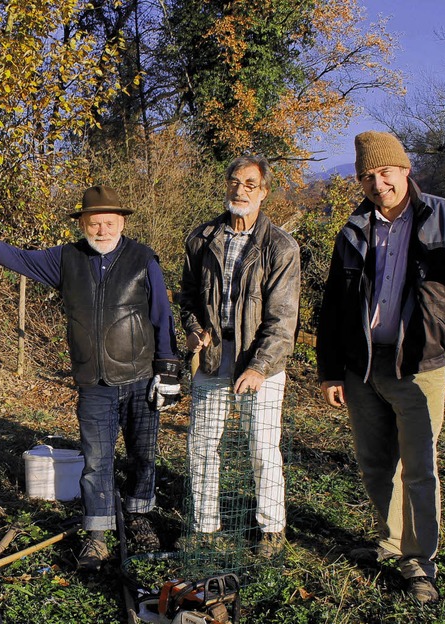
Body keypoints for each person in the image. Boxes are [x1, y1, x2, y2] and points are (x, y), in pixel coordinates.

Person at [0, 185, 181, 572]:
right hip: (94, 383)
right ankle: (98, 533)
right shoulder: (66, 259)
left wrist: (168, 370)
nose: (103, 230)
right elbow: (18, 259)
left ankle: (139, 516)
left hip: (140, 377)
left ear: (122, 222)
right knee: (96, 461)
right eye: (95, 223)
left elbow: (162, 315)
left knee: (143, 455)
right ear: (83, 225)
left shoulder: (143, 259)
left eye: (109, 222)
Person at [316, 131, 445, 604]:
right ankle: (392, 541)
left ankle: (419, 561)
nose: (379, 184)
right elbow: (333, 306)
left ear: (405, 169)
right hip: (362, 367)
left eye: (386, 172)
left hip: (418, 365)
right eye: (368, 176)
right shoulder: (354, 230)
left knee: (419, 467)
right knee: (377, 465)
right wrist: (331, 370)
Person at [179, 155, 300, 558]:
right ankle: (204, 525)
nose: (240, 189)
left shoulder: (280, 246)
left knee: (262, 447)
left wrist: (259, 367)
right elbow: (189, 296)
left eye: (250, 184)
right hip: (214, 356)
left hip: (260, 359)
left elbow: (283, 320)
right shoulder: (200, 238)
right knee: (202, 443)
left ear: (264, 191)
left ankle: (271, 530)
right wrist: (195, 328)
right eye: (234, 181)